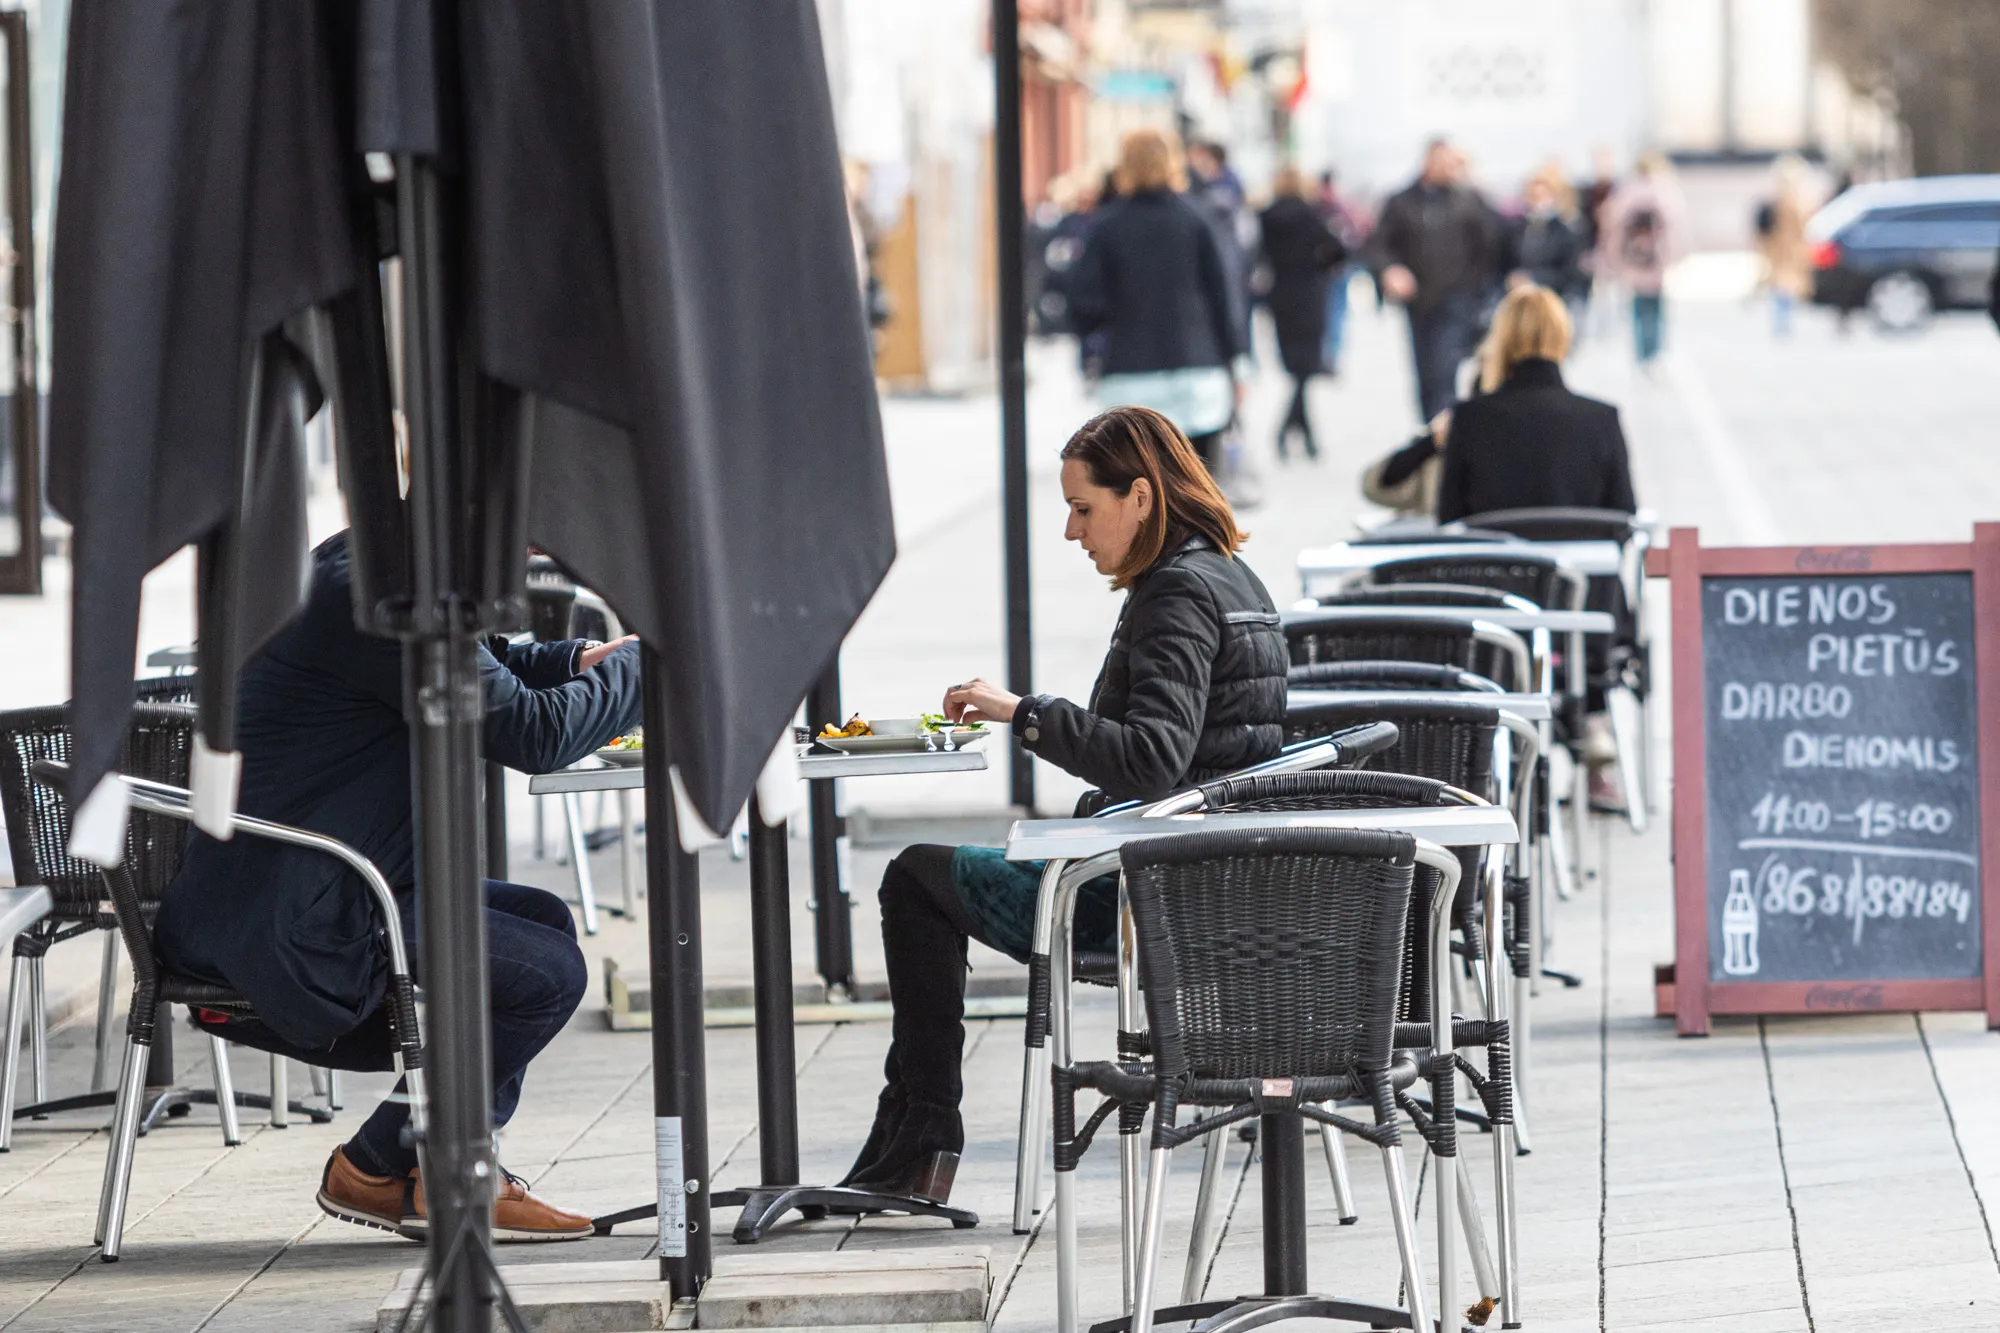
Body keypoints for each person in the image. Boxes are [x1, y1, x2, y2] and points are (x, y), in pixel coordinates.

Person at [837, 405, 1287, 1205]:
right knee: (927, 873)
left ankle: (922, 1132)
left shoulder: (1177, 593)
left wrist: (1024, 712)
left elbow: (1152, 758)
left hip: (1148, 894)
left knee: (914, 877)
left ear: (1140, 497)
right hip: (1206, 876)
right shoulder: (1230, 574)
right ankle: (912, 1131)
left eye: (1083, 507)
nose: (1071, 531)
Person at [154, 531, 644, 1241]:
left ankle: (425, 1165)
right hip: (296, 912)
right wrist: (648, 665)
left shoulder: (371, 562)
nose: (528, 558)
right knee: (547, 975)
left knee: (543, 918)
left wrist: (577, 661)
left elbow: (484, 670)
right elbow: (534, 733)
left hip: (313, 882)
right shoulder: (380, 595)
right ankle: (391, 1165)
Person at [1069, 130, 1247, 471]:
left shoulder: (1107, 226)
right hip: (1196, 372)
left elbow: (1083, 303)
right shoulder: (1198, 219)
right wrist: (1237, 361)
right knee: (1196, 484)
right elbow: (1225, 297)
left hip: (1129, 375)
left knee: (1139, 486)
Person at [1435, 283, 1635, 524]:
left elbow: (1449, 519)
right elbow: (1623, 518)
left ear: (1501, 339)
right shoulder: (1602, 420)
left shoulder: (1470, 419)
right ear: (1563, 337)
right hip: (1578, 549)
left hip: (1495, 548)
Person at [1372, 137, 1504, 422]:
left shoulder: (1468, 200)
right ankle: (1430, 427)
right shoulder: (1401, 201)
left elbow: (1493, 242)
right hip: (1418, 301)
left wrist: (1477, 290)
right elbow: (1379, 245)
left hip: (1457, 300)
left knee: (1445, 370)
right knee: (1425, 372)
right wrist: (1391, 270)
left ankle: (1443, 429)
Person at [1259, 164, 1347, 461]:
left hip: (1281, 294)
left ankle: (1303, 433)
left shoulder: (1267, 216)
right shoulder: (1312, 215)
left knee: (1296, 368)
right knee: (1305, 369)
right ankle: (1287, 429)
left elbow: (1258, 255)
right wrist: (1322, 267)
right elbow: (1338, 250)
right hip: (1310, 294)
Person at [1596, 152, 1682, 368]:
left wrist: (1614, 260)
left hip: (1633, 262)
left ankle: (1643, 353)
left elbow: (1612, 229)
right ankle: (1654, 352)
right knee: (1656, 308)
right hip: (1655, 262)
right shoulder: (1665, 192)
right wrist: (1671, 257)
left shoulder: (1626, 193)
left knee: (1638, 310)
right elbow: (1675, 230)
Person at [1507, 171, 1588, 313]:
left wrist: (1534, 278)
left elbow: (1570, 273)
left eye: (1543, 196)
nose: (1538, 201)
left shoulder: (1565, 234)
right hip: (1522, 303)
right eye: (1534, 196)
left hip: (1552, 302)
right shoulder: (1518, 230)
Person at [1315, 169, 1371, 376]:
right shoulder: (1320, 209)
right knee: (1326, 314)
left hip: (1339, 269)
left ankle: (1332, 356)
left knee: (1335, 313)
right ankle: (1324, 355)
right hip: (1322, 271)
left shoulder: (1340, 210)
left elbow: (1354, 237)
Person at [1757, 156, 1814, 338]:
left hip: (1789, 251)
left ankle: (1783, 321)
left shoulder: (1791, 201)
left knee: (1784, 287)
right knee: (1784, 286)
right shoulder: (1792, 202)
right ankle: (1783, 322)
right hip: (1784, 250)